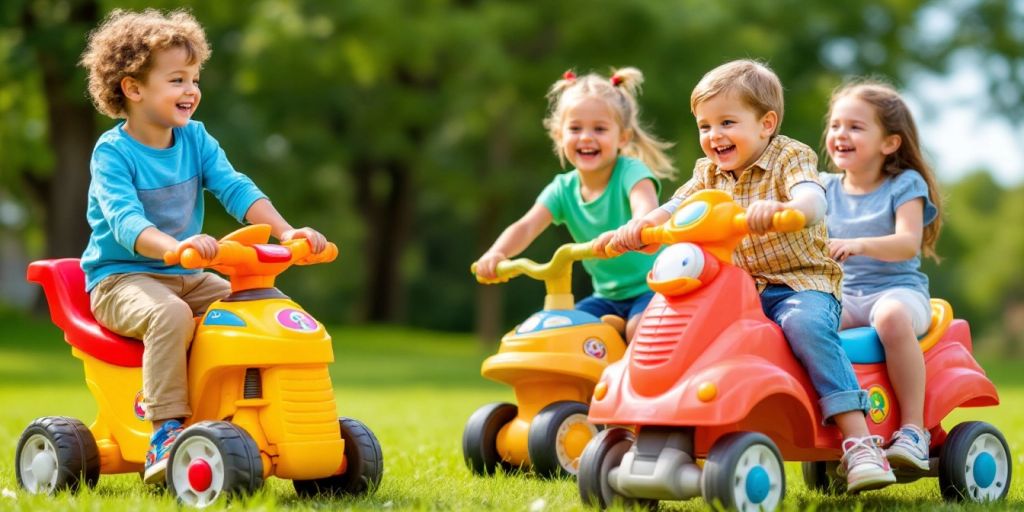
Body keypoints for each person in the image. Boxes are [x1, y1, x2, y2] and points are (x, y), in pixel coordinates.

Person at [612, 60, 895, 493]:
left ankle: (859, 440)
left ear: (766, 124)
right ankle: (661, 433)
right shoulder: (707, 172)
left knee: (805, 326)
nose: (714, 136)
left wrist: (790, 210)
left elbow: (812, 197)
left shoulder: (790, 156)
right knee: (687, 332)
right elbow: (674, 209)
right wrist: (638, 227)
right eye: (704, 126)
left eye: (727, 122)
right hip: (738, 288)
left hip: (801, 284)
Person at [79, 9, 327, 484]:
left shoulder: (195, 138)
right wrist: (173, 246)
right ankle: (165, 431)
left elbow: (234, 187)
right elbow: (125, 221)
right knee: (168, 315)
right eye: (176, 79)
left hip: (184, 273)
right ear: (133, 89)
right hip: (121, 278)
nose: (191, 89)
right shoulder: (113, 153)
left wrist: (286, 231)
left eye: (194, 78)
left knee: (250, 311)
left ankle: (251, 413)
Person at [474, 68, 676, 341]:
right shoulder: (562, 189)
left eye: (600, 129)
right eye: (575, 128)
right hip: (606, 296)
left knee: (637, 330)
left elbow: (646, 208)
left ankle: (631, 356)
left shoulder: (631, 172)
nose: (586, 137)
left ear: (623, 138)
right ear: (559, 135)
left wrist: (633, 230)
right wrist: (497, 254)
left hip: (653, 286)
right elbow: (526, 226)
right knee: (565, 333)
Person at [822, 80, 942, 472]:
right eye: (836, 125)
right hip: (845, 294)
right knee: (802, 326)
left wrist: (858, 244)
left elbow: (907, 242)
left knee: (890, 318)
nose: (841, 134)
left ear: (889, 143)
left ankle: (913, 429)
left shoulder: (904, 185)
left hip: (898, 292)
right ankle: (838, 427)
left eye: (856, 127)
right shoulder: (823, 189)